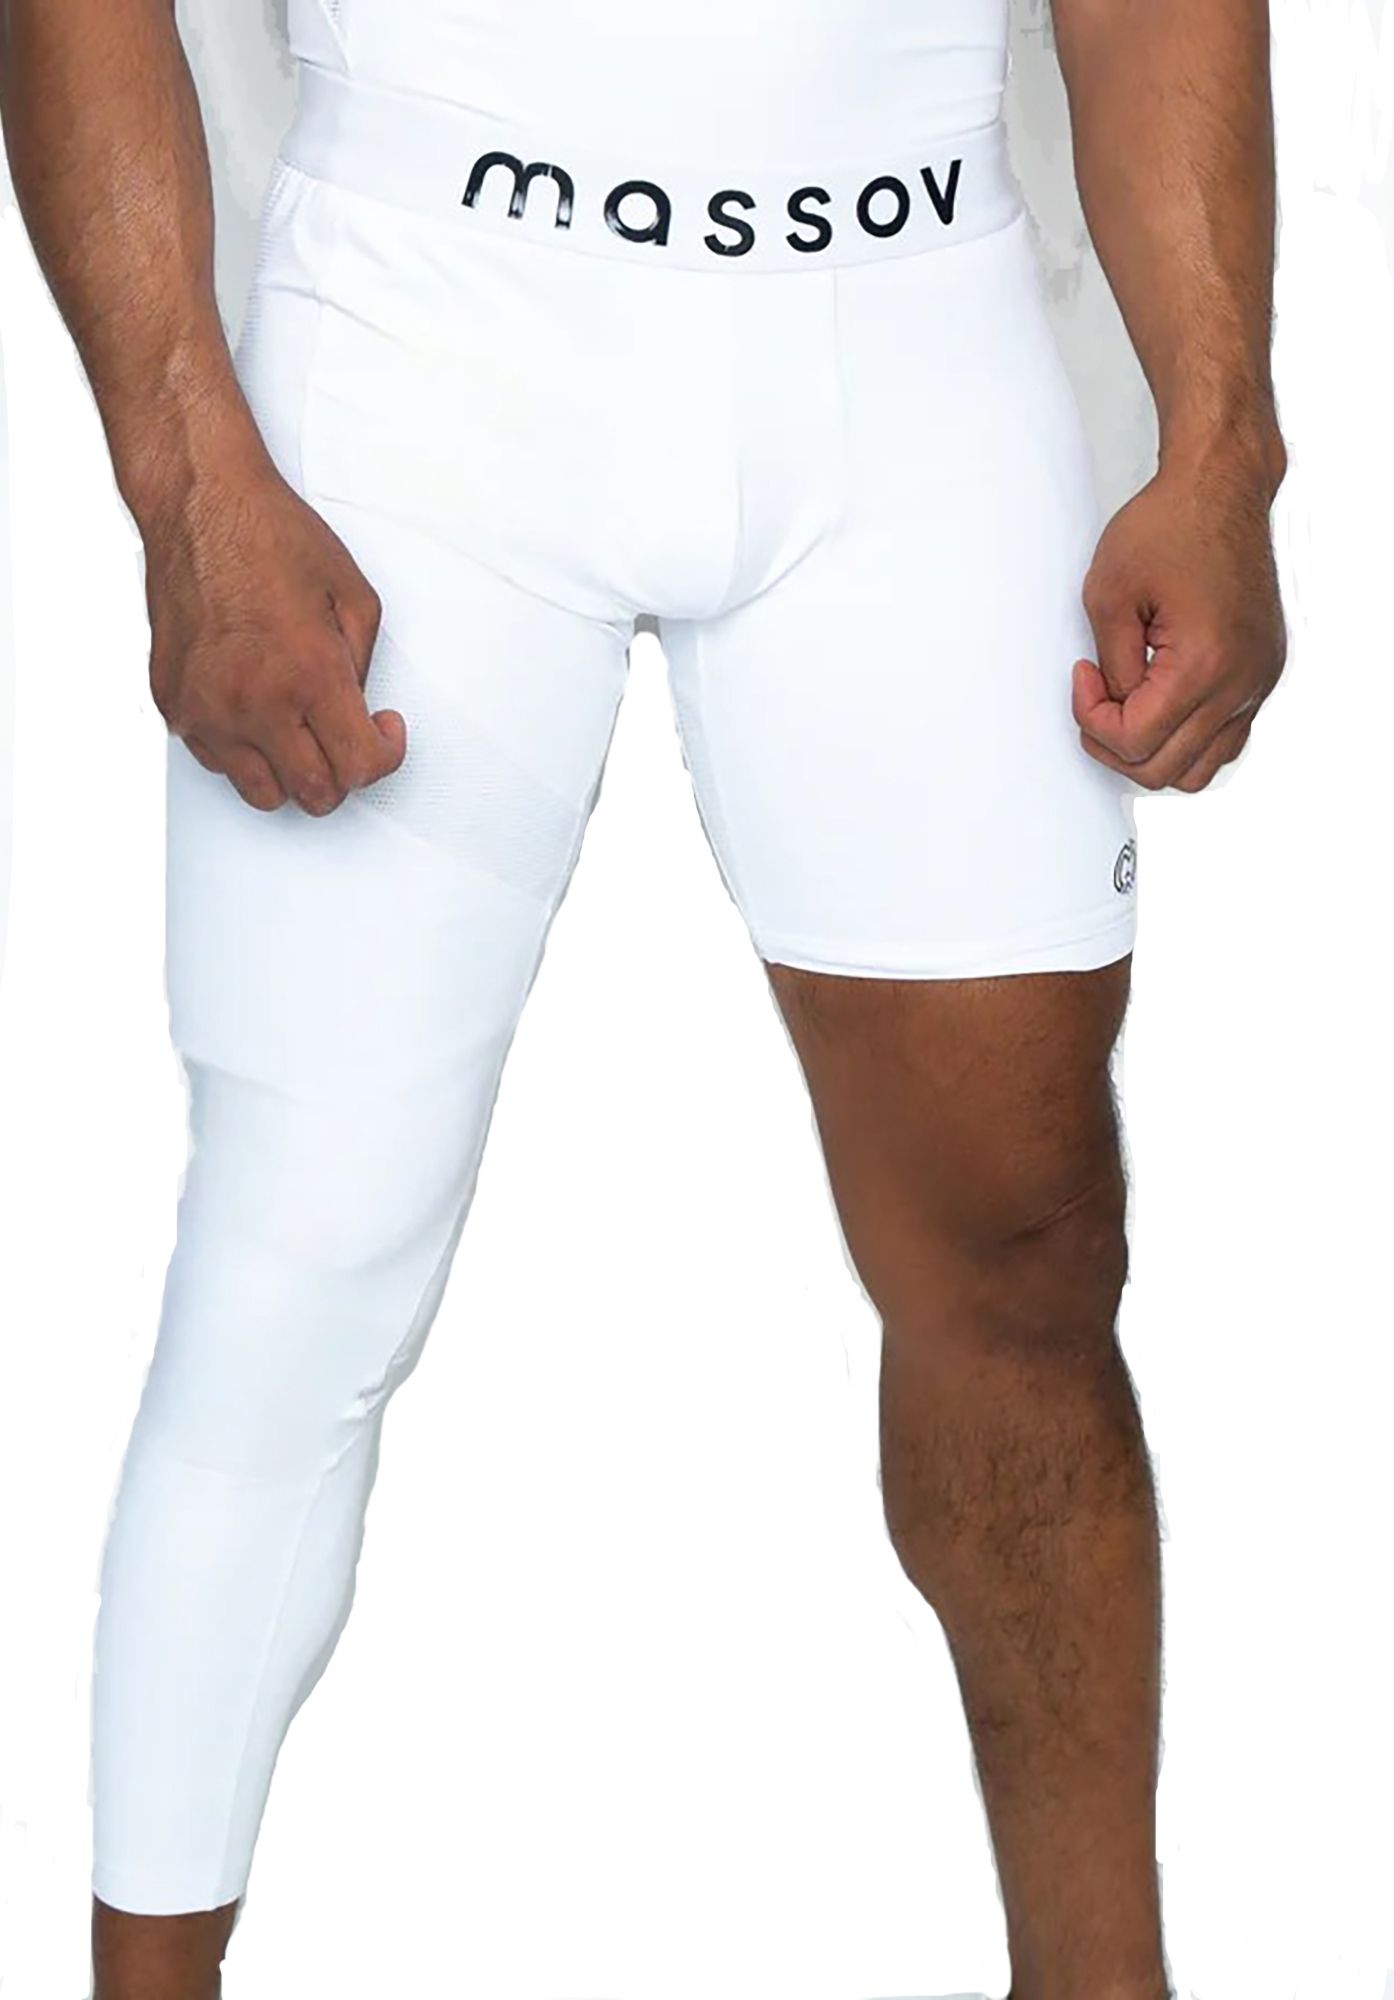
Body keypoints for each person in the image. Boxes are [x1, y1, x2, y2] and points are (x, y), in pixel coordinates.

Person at [0, 0, 1288, 1994]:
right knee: (301, 1265)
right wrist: (188, 488)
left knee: (1025, 1256)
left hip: (916, 341)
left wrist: (1217, 444)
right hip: (423, 342)